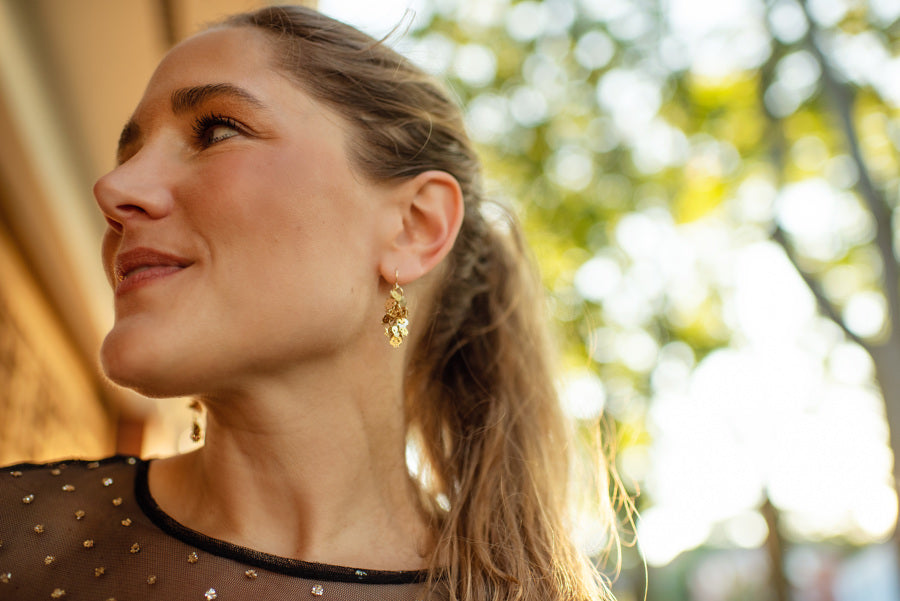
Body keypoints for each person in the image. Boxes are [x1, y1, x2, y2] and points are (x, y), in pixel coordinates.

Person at [0, 5, 619, 600]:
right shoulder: (17, 536)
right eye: (128, 153)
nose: (114, 188)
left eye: (217, 130)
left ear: (415, 227)